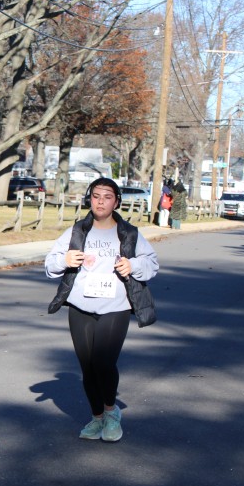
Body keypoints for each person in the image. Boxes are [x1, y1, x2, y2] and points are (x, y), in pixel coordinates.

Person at [46, 177, 159, 443]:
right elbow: (50, 263)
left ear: (116, 202)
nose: (100, 201)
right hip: (81, 305)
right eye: (96, 196)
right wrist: (64, 260)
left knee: (103, 363)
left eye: (107, 197)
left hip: (115, 306)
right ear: (90, 199)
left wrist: (133, 265)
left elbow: (152, 263)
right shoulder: (76, 231)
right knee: (87, 367)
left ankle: (111, 412)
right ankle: (96, 417)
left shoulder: (129, 233)